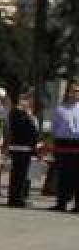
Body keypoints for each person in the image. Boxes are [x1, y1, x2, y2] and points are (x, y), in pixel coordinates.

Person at [6, 93, 40, 207]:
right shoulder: (18, 112)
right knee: (19, 175)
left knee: (20, 175)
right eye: (26, 100)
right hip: (21, 147)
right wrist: (30, 117)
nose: (28, 102)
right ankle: (16, 199)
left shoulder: (19, 113)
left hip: (23, 147)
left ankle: (16, 198)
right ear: (21, 100)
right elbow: (28, 130)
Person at [49, 80, 79, 212]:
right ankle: (61, 203)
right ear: (68, 92)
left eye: (77, 91)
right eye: (73, 90)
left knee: (77, 175)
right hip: (63, 143)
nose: (75, 93)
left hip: (77, 142)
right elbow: (54, 128)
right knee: (63, 175)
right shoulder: (60, 109)